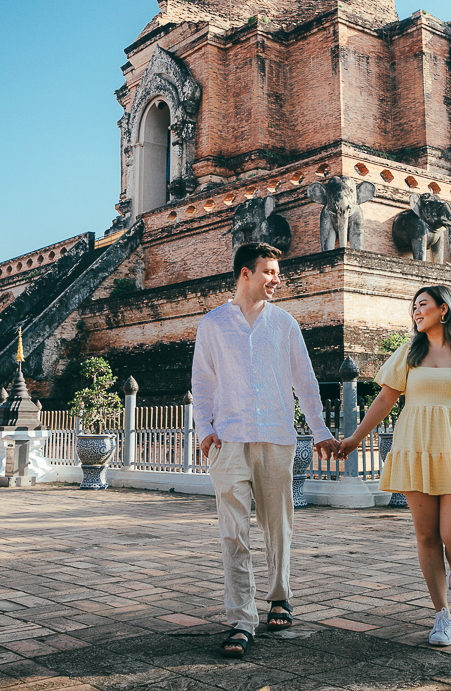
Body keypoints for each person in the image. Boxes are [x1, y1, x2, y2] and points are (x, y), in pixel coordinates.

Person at [192, 241, 340, 658]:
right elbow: (202, 382)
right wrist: (204, 429)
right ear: (245, 274)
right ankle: (241, 619)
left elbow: (305, 381)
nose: (277, 279)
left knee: (278, 526)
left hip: (276, 435)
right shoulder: (213, 324)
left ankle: (280, 596)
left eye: (277, 272)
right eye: (270, 272)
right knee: (233, 532)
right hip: (229, 439)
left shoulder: (285, 324)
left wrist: (319, 430)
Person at [339, 284, 451, 646]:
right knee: (427, 536)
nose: (416, 311)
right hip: (414, 447)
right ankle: (442, 614)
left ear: (444, 310)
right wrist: (355, 439)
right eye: (413, 307)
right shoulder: (407, 354)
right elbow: (384, 399)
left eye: (423, 305)